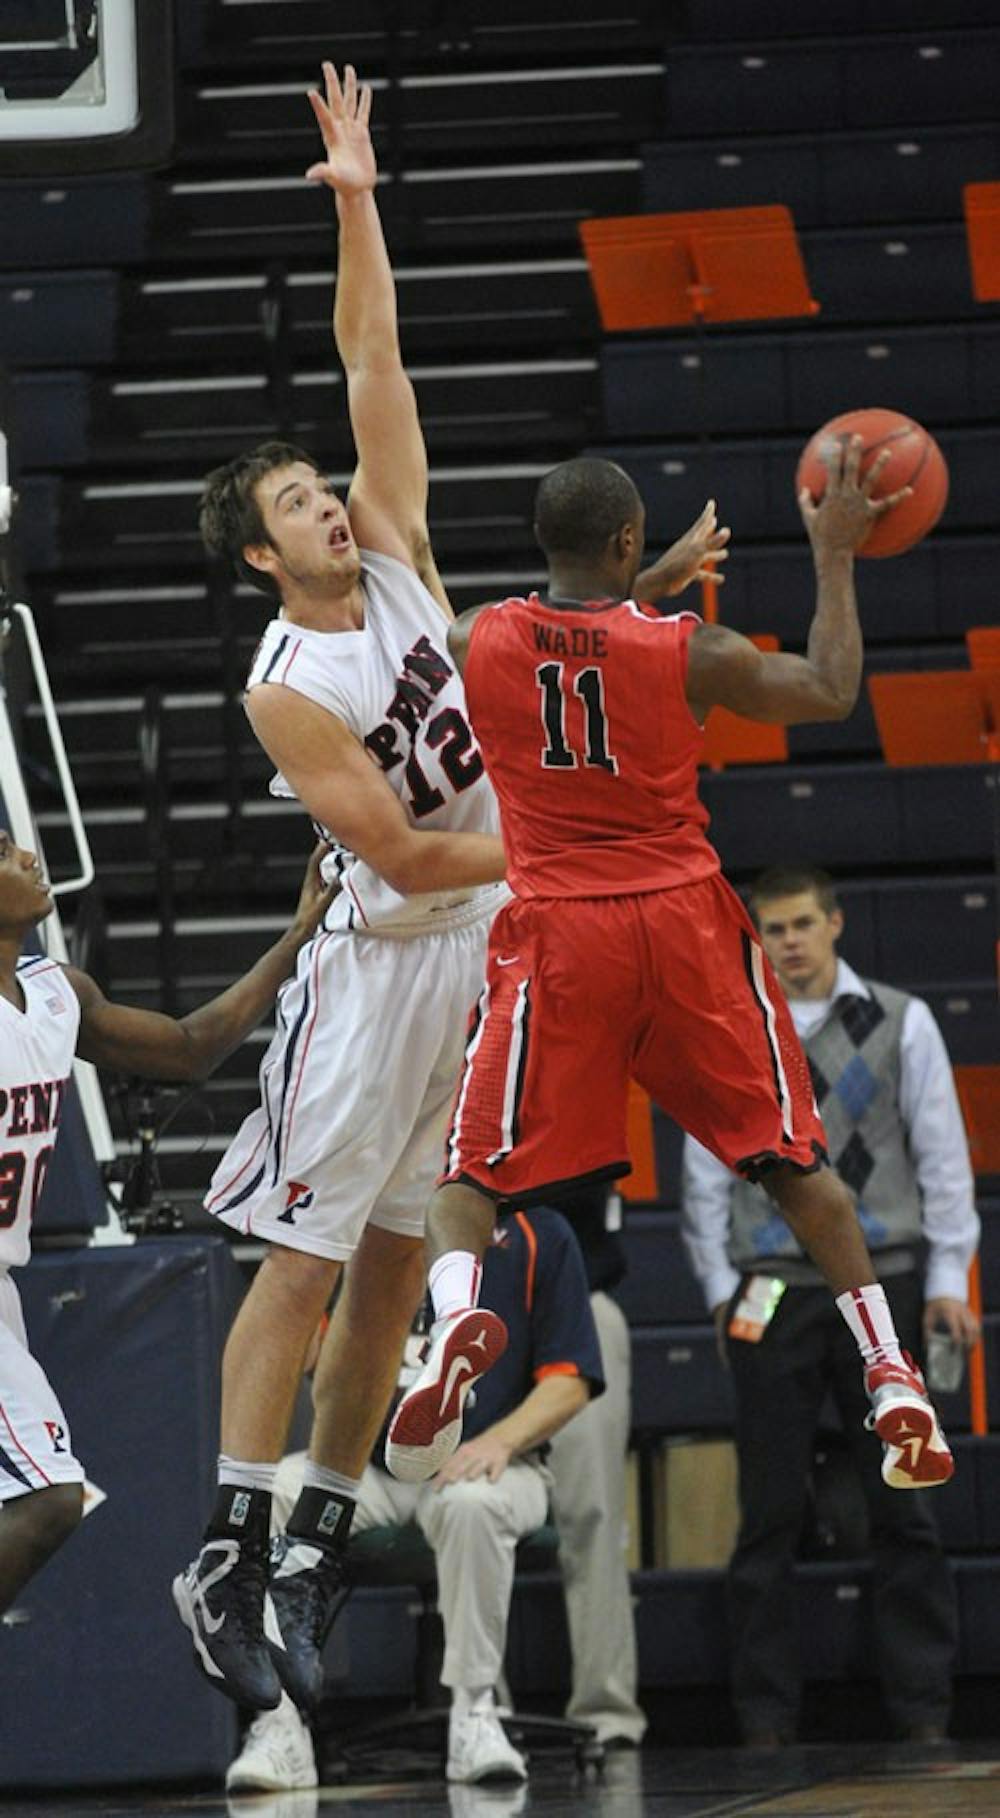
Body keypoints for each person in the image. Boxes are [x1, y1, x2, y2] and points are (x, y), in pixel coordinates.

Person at [172, 63, 728, 1718]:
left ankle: (321, 1529)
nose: (329, 499)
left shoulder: (402, 549)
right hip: (387, 957)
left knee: (406, 1259)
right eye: (295, 502)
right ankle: (229, 1528)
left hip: (487, 942)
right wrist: (561, 836)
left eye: (323, 485)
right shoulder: (287, 680)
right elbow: (407, 852)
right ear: (262, 555)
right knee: (303, 1259)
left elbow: (374, 360)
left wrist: (355, 198)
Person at [385, 439, 956, 1517]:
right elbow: (829, 691)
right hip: (685, 927)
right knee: (794, 1164)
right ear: (629, 541)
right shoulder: (690, 650)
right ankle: (887, 1367)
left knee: (470, 1177)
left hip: (558, 934)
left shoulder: (476, 637)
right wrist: (834, 553)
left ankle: (454, 1314)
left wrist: (634, 577)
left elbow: (571, 630)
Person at [0, 831, 337, 1615]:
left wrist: (296, 939)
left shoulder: (58, 992)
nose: (27, 856)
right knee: (49, 1498)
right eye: (2, 850)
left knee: (48, 1502)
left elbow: (190, 1049)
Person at [681, 863, 979, 1747]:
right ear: (756, 938)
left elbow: (944, 1160)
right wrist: (715, 1296)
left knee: (905, 1505)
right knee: (767, 1513)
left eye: (804, 923)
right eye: (773, 929)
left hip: (878, 1279)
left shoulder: (902, 1019)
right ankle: (764, 1720)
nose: (791, 941)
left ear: (837, 923)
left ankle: (923, 1714)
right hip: (770, 1290)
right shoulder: (733, 1027)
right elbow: (704, 1175)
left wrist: (945, 1285)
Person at [226, 1204, 603, 1792]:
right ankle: (279, 1721)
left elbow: (571, 1379)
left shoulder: (540, 1233)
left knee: (469, 1506)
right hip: (372, 1470)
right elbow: (314, 1361)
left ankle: (475, 1711)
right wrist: (296, 1281)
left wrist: (499, 1442)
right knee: (275, 1492)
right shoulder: (367, 1221)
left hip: (496, 1465)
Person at [543, 1184, 646, 1747]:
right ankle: (475, 1711)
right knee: (468, 1503)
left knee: (593, 1513)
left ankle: (607, 1708)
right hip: (468, 1311)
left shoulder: (570, 1094)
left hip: (579, 1299)